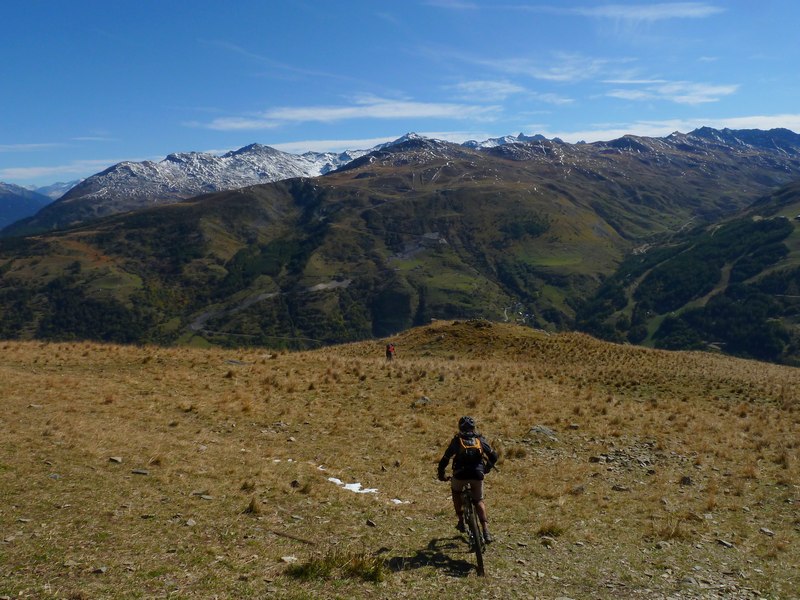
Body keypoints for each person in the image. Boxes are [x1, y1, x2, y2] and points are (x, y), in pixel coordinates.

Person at [437, 415, 498, 543]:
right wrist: (486, 469)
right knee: (479, 500)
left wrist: (441, 474)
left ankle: (460, 521)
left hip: (460, 474)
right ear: (473, 427)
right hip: (477, 474)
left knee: (456, 493)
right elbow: (494, 456)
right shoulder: (480, 439)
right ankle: (486, 530)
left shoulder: (456, 441)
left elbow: (445, 459)